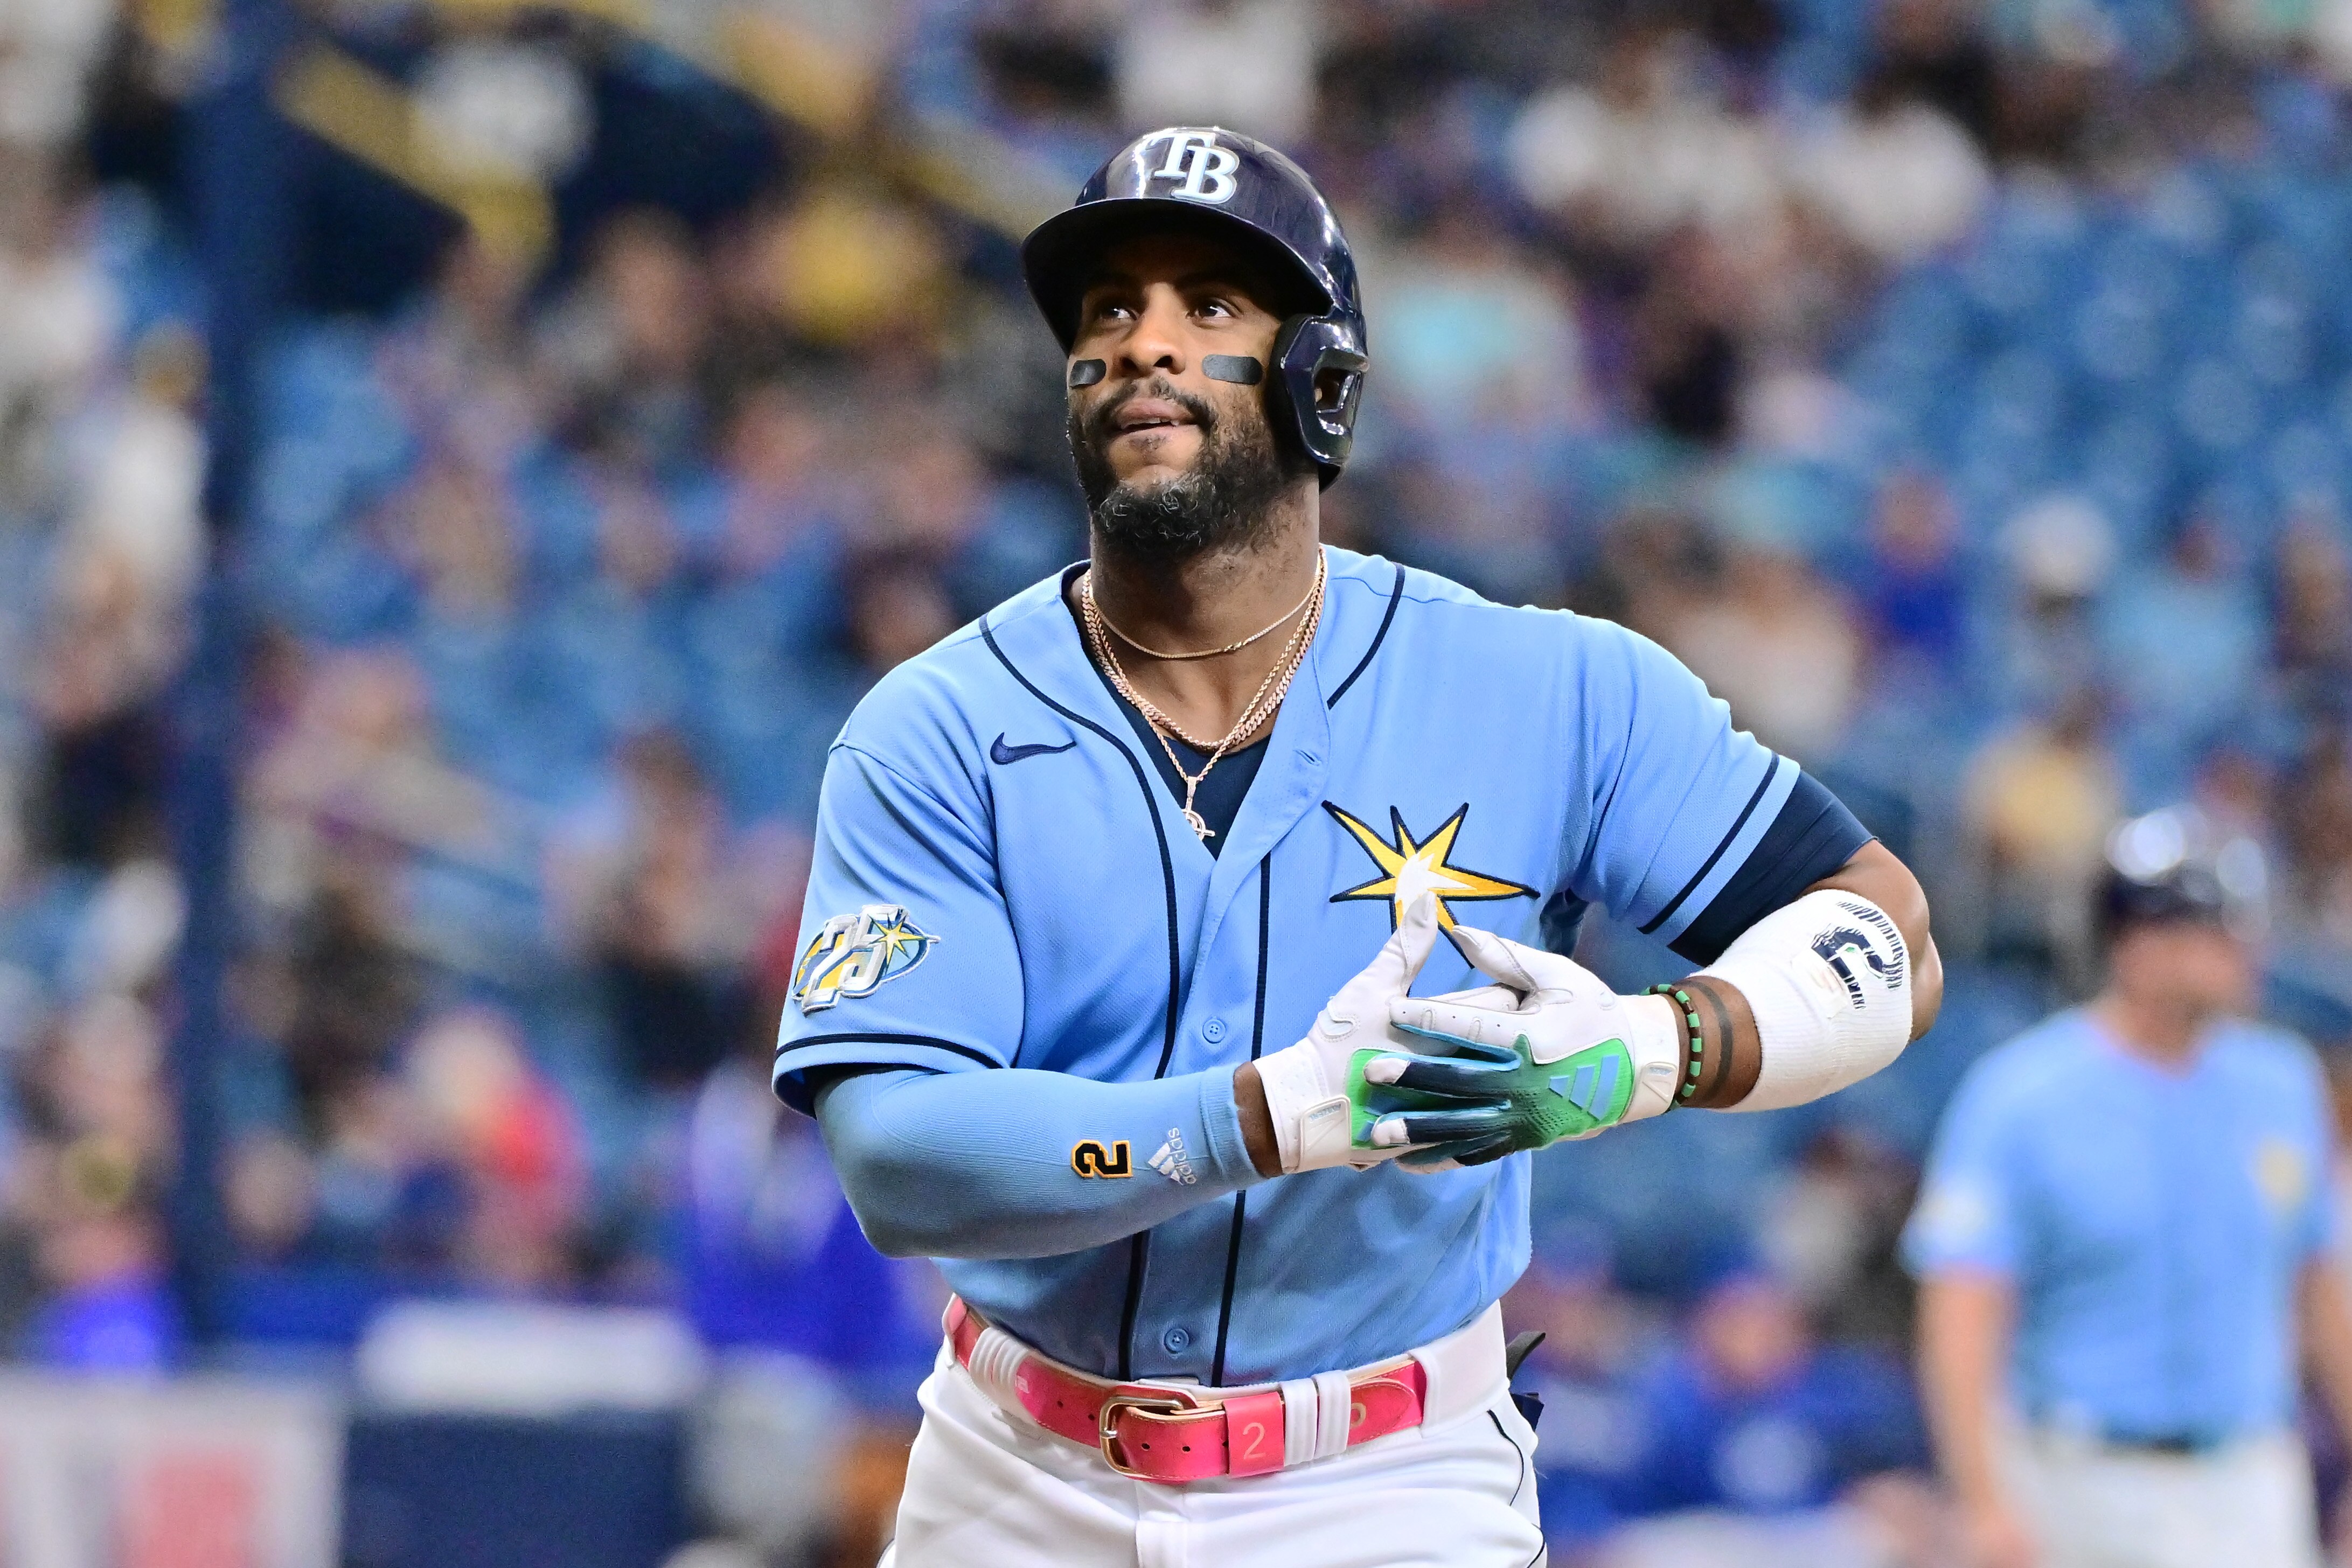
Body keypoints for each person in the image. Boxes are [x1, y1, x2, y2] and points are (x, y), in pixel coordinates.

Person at [773, 127, 1944, 1566]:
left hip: (1388, 1482)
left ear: (1320, 376)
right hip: (1019, 1472)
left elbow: (1881, 929)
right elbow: (894, 1155)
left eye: (1209, 308)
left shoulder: (1544, 686)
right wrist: (1264, 1116)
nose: (1142, 343)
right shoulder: (935, 725)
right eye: (1105, 311)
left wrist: (1647, 1053)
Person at [1906, 805, 2352, 1568]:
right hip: (2078, 1476)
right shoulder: (2022, 1093)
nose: (2244, 948)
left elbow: (2322, 1286)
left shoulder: (2281, 1082)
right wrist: (1981, 1500)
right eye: (2215, 929)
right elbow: (1962, 1310)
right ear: (2136, 945)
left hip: (2248, 1475)